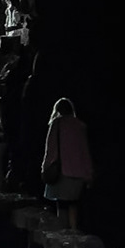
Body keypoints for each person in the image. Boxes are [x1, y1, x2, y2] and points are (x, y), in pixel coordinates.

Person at [41, 97, 94, 229]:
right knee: (73, 204)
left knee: (62, 206)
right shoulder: (80, 125)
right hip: (79, 172)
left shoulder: (56, 124)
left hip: (62, 171)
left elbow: (51, 149)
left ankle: (64, 238)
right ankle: (74, 233)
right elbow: (84, 151)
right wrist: (89, 173)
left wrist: (45, 166)